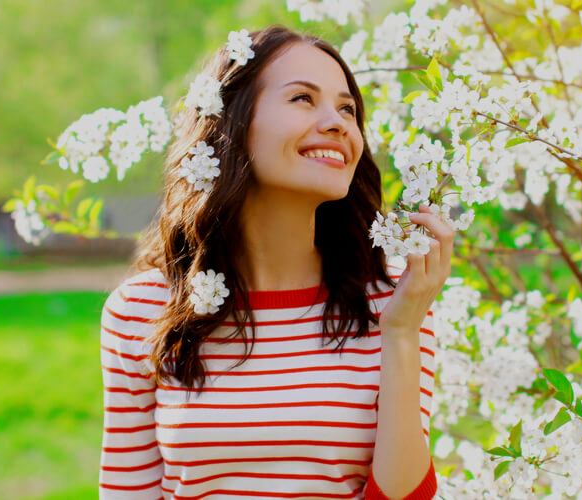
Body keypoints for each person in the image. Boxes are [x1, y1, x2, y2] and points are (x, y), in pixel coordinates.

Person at [98, 25, 453, 499]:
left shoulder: (395, 302)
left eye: (347, 108)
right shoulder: (142, 310)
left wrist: (402, 331)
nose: (338, 123)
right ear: (233, 122)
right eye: (303, 99)